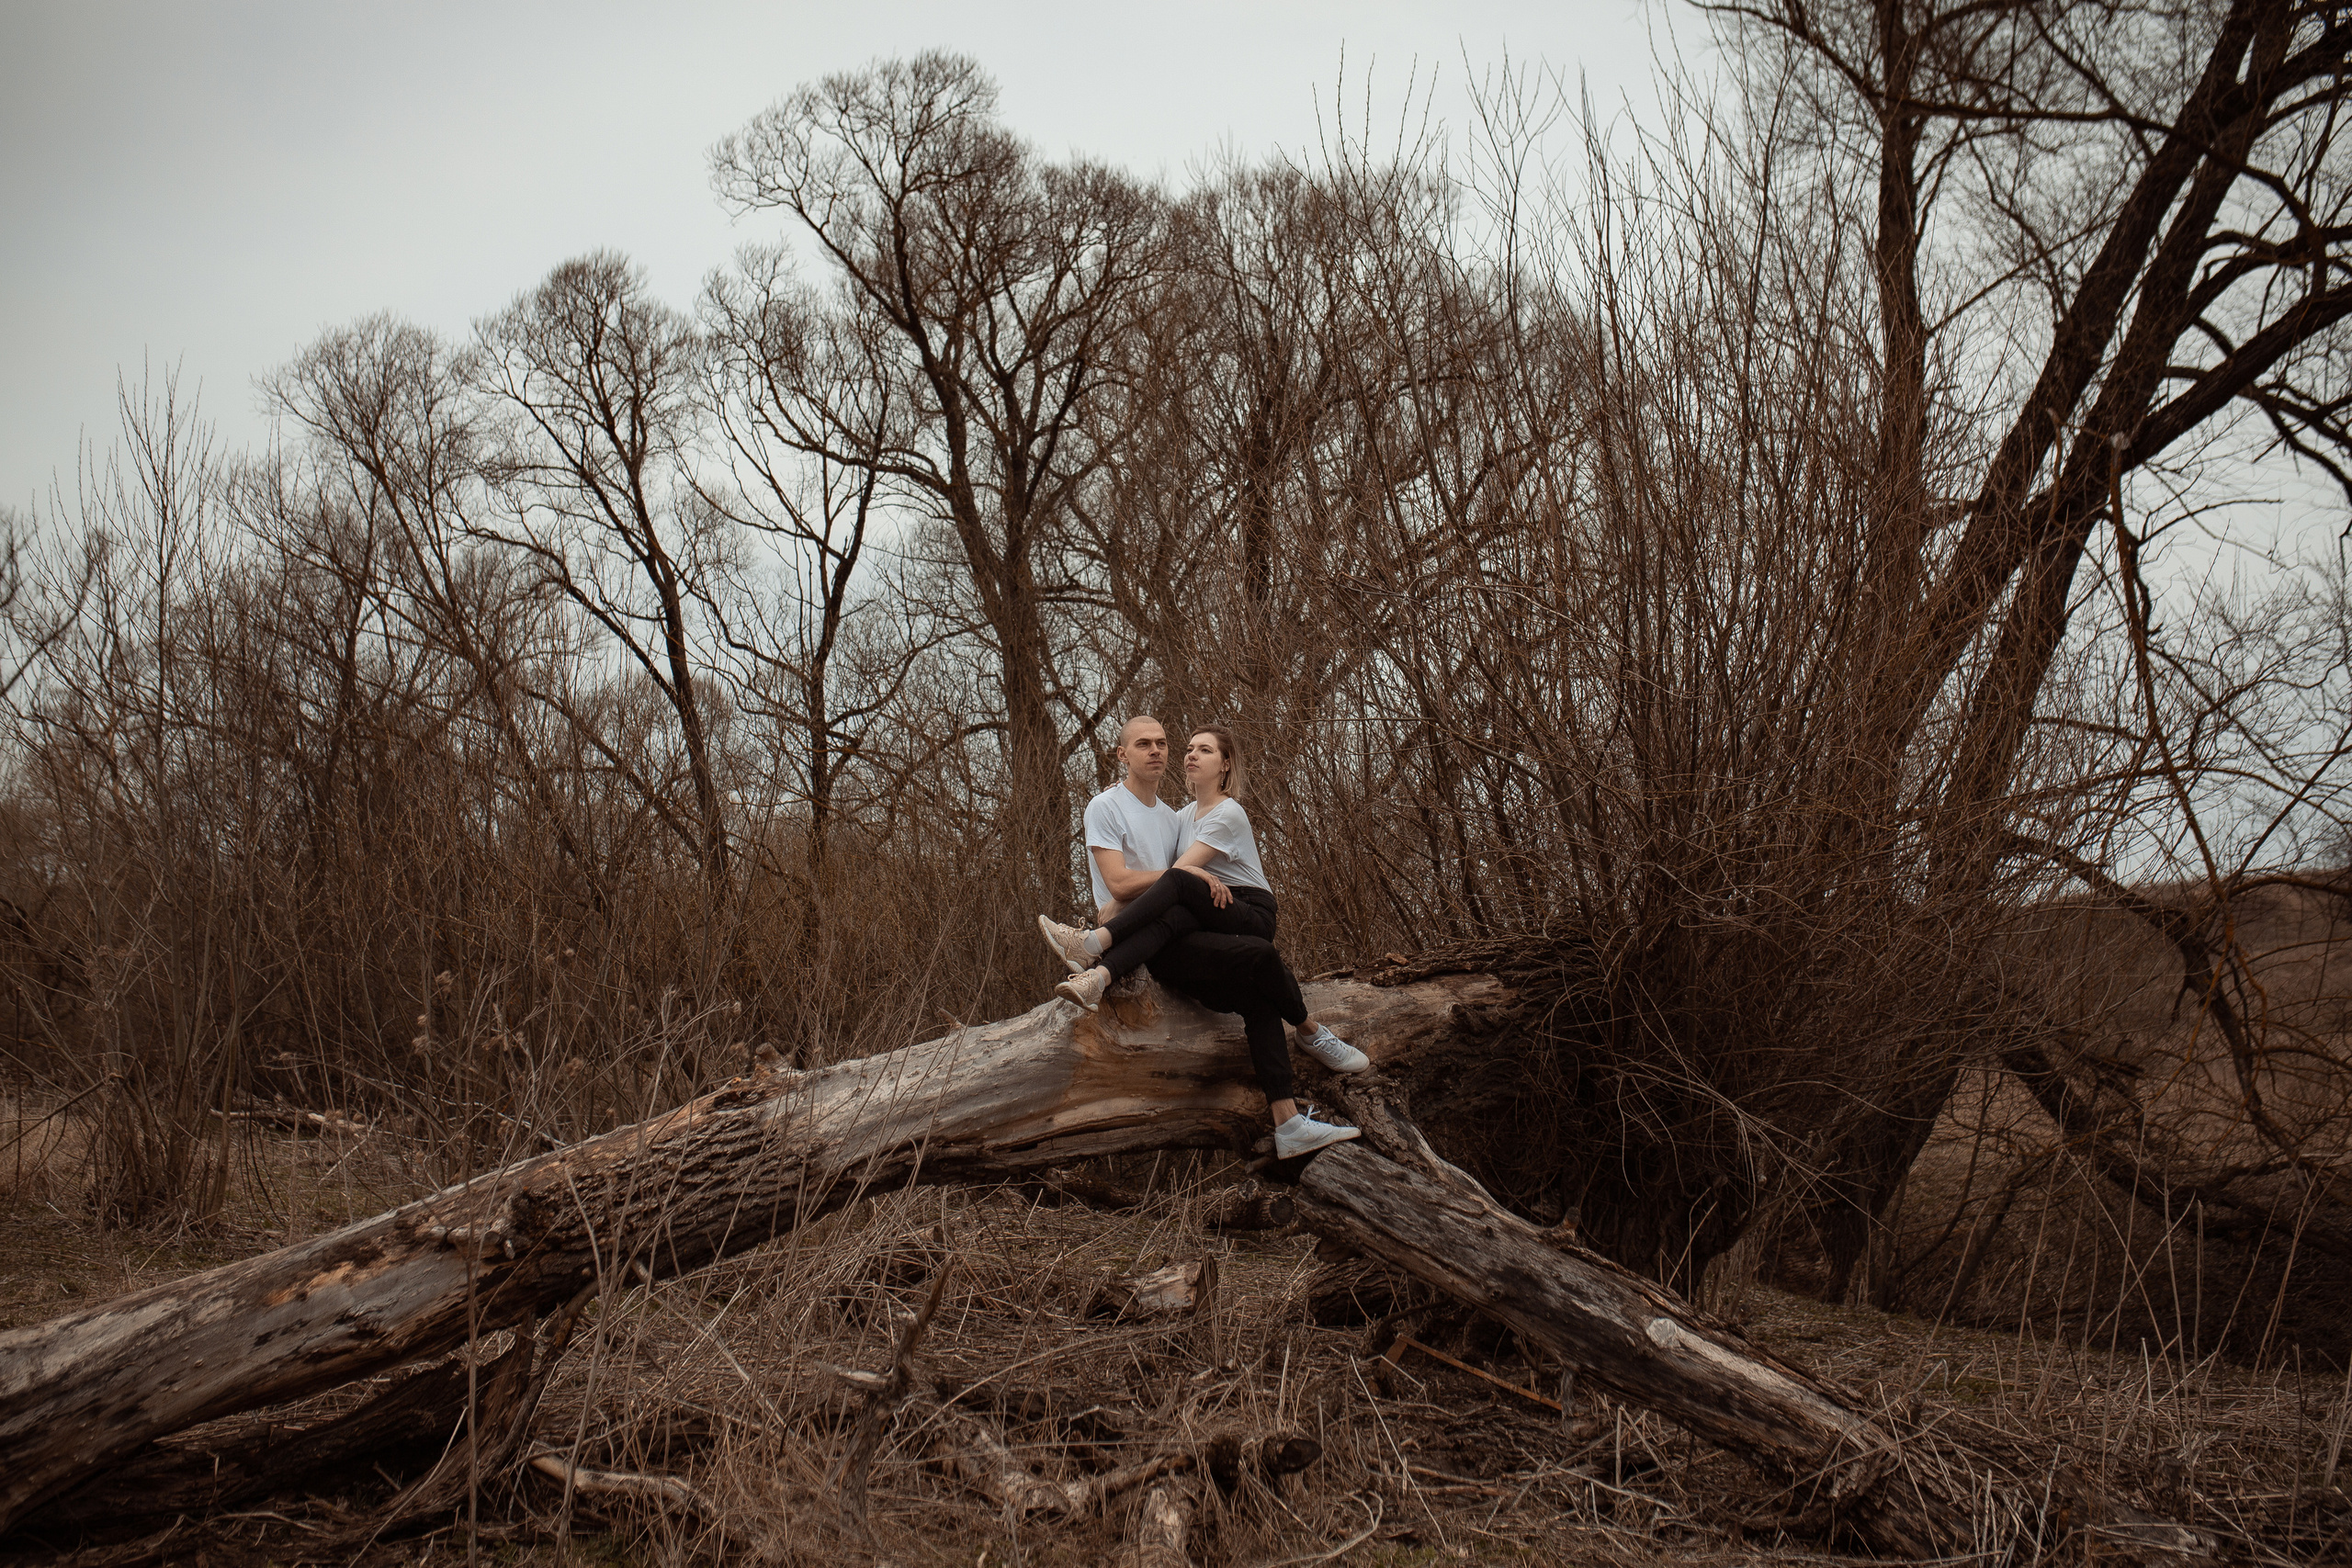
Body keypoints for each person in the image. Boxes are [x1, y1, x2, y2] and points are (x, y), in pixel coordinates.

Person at [1040, 722, 1365, 1157]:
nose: (1188, 755)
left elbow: (1177, 877)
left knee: (1234, 927)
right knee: (1259, 993)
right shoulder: (1176, 819)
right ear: (1122, 754)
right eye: (1189, 748)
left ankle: (1093, 946)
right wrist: (1144, 895)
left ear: (1225, 764)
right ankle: (1289, 1124)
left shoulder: (1227, 813)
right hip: (1203, 923)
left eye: (1203, 750)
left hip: (1248, 910)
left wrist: (1146, 896)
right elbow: (1157, 885)